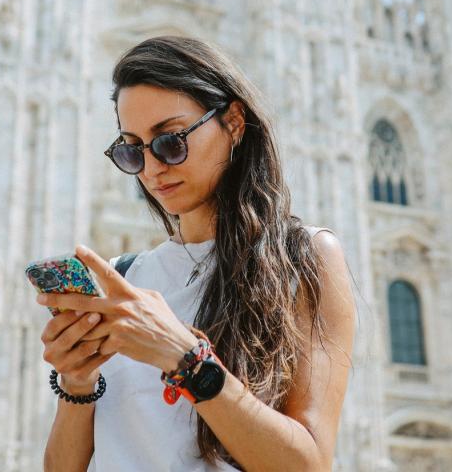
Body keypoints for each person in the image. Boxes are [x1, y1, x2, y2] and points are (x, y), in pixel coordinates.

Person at [36, 36, 356, 471]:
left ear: (234, 123)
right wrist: (77, 381)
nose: (151, 168)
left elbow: (308, 464)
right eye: (132, 150)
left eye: (170, 141)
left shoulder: (305, 258)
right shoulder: (123, 278)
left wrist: (184, 358)